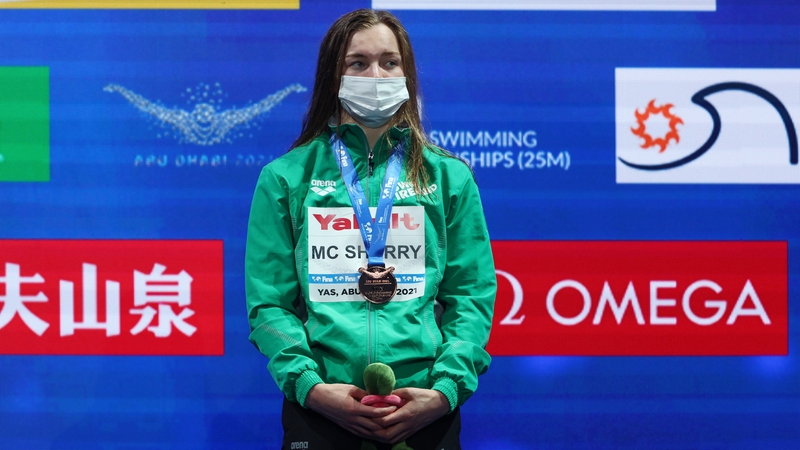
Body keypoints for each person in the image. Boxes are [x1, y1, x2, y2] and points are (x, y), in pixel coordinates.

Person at [245, 8, 496, 449]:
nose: (375, 74)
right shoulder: (286, 177)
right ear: (332, 75)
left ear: (407, 73)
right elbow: (269, 306)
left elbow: (471, 299)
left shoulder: (448, 177)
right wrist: (311, 388)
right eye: (357, 63)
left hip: (423, 406)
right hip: (323, 407)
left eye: (389, 61)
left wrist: (445, 390)